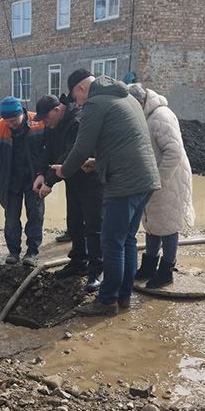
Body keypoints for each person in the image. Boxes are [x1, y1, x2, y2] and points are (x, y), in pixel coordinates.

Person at [51, 69, 160, 316]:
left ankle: (107, 300)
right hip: (146, 180)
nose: (78, 105)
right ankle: (123, 297)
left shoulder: (96, 103)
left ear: (80, 89)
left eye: (76, 100)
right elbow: (124, 143)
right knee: (128, 240)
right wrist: (97, 163)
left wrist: (63, 171)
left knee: (111, 243)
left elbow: (80, 147)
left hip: (124, 184)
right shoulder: (127, 99)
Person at [32, 93, 103, 292]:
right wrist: (40, 174)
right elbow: (47, 151)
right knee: (74, 223)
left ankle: (96, 270)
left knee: (94, 226)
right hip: (73, 181)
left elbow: (69, 155)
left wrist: (49, 181)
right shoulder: (53, 125)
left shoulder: (77, 122)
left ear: (57, 110)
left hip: (91, 180)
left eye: (46, 117)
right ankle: (78, 262)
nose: (45, 122)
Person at [128, 83, 195, 287]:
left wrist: (158, 180)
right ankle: (149, 266)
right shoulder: (146, 116)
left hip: (169, 179)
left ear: (140, 102)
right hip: (153, 179)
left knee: (167, 225)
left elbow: (174, 152)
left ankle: (166, 271)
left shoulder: (161, 116)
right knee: (152, 223)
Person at [0, 96, 46, 267]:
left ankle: (32, 252)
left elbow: (49, 150)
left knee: (35, 215)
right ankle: (13, 251)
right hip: (10, 181)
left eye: (13, 120)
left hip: (34, 179)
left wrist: (46, 177)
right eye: (7, 120)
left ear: (22, 113)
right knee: (11, 218)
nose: (10, 124)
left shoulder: (39, 122)